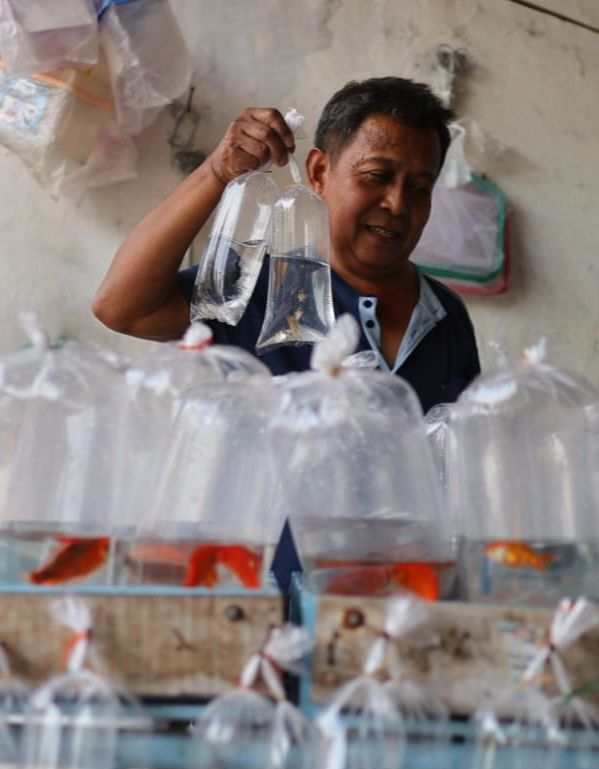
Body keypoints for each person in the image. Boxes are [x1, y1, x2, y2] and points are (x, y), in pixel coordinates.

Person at [93, 76, 480, 592]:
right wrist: (216, 171)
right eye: (377, 176)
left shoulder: (446, 317)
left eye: (419, 187)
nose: (397, 203)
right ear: (319, 171)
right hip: (259, 609)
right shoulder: (260, 290)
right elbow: (121, 306)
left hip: (398, 614)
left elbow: (461, 475)